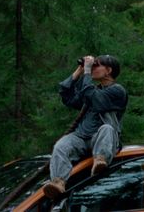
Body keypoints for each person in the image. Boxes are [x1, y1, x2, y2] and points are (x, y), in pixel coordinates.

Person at [43, 55, 128, 199]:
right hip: (82, 138)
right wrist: (79, 72)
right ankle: (58, 182)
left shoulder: (117, 91)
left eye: (96, 65)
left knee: (107, 128)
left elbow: (95, 98)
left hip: (101, 139)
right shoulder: (92, 89)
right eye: (92, 66)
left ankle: (101, 159)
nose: (93, 68)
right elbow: (68, 98)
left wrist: (88, 72)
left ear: (108, 70)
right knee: (61, 146)